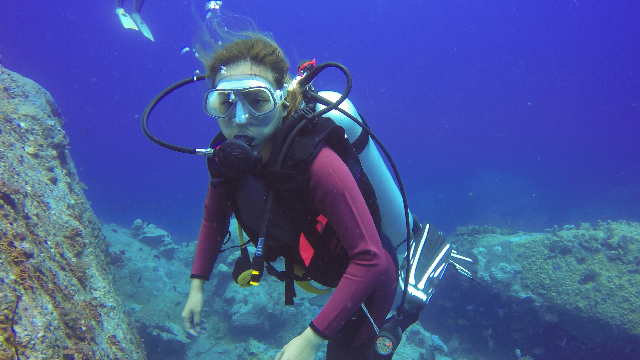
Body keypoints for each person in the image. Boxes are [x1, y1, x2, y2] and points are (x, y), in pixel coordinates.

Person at [180, 36, 405, 360]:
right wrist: (196, 287)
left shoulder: (317, 164)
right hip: (318, 269)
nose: (240, 118)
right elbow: (214, 219)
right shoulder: (226, 161)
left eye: (257, 100)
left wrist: (311, 339)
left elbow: (371, 259)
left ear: (284, 102)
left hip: (372, 283)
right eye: (225, 102)